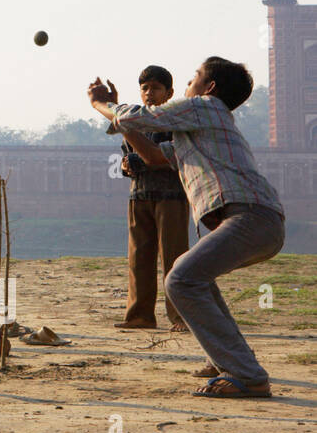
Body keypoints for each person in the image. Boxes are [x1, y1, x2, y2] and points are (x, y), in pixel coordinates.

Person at [87, 57, 284, 399]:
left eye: (195, 77)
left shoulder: (205, 106)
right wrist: (118, 116)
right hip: (259, 221)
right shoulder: (199, 130)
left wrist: (102, 104)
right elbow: (151, 156)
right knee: (195, 277)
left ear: (209, 88)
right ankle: (227, 361)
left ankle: (248, 376)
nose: (190, 84)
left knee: (181, 279)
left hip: (251, 217)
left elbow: (136, 115)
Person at [108, 65, 190, 332]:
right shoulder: (135, 121)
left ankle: (181, 317)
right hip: (139, 195)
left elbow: (176, 157)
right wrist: (127, 166)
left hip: (172, 197)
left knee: (175, 260)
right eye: (145, 88)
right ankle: (139, 315)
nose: (149, 93)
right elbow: (128, 156)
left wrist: (143, 161)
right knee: (138, 259)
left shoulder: (176, 121)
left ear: (169, 92)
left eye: (156, 88)